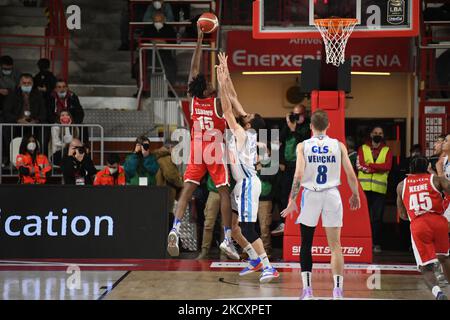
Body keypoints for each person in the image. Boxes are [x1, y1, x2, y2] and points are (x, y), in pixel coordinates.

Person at [166, 28, 246, 260]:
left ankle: (175, 228)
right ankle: (228, 237)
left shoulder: (194, 102)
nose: (211, 84)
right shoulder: (217, 104)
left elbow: (193, 70)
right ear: (208, 90)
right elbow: (228, 94)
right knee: (224, 192)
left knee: (187, 190)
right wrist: (224, 74)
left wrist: (199, 41)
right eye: (210, 84)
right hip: (215, 150)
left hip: (197, 149)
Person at [281, 109, 361, 300]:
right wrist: (355, 194)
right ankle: (338, 291)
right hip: (332, 194)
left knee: (306, 244)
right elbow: (350, 174)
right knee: (335, 246)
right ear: (328, 126)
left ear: (310, 126)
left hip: (311, 195)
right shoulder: (338, 145)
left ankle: (307, 291)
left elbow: (299, 174)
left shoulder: (303, 145)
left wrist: (292, 199)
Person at [217, 57, 279, 282]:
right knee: (234, 227)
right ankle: (253, 259)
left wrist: (220, 82)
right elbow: (234, 98)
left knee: (248, 228)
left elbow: (226, 109)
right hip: (242, 185)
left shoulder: (243, 134)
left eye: (249, 116)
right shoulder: (250, 130)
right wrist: (226, 73)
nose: (246, 114)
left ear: (250, 124)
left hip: (247, 184)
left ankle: (268, 266)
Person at [396, 156, 450, 300]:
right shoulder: (437, 180)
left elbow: (402, 215)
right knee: (445, 258)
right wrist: (444, 204)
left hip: (419, 223)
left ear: (410, 169)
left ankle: (438, 293)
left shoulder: (402, 185)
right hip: (439, 221)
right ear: (427, 167)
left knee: (425, 267)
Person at [272, 103, 311, 236]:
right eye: (294, 115)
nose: (296, 118)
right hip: (287, 167)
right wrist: (289, 124)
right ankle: (284, 221)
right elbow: (279, 141)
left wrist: (295, 129)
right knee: (283, 194)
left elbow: (305, 143)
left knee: (298, 195)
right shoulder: (288, 126)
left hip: (300, 167)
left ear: (304, 115)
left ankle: (298, 221)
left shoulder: (307, 127)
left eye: (298, 115)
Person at [357, 126, 393, 253]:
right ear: (371, 134)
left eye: (380, 133)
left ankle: (376, 243)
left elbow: (387, 166)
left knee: (377, 218)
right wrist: (378, 168)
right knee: (363, 217)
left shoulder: (387, 150)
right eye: (375, 133)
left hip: (379, 189)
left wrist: (371, 165)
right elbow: (360, 165)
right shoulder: (362, 148)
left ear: (383, 136)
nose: (378, 135)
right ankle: (363, 242)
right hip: (364, 189)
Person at [153, 142, 184, 214]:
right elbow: (171, 175)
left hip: (163, 191)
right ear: (170, 147)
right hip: (167, 191)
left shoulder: (162, 157)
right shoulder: (166, 158)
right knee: (166, 215)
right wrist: (181, 184)